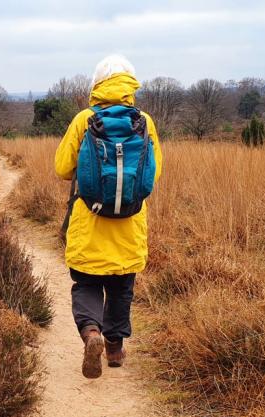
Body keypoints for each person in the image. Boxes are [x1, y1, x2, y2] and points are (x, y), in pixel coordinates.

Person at [54, 54, 163, 379]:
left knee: (86, 282)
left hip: (90, 221)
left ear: (97, 84)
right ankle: (114, 348)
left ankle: (91, 333)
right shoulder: (144, 121)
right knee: (121, 286)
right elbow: (154, 173)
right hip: (129, 223)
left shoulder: (83, 119)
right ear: (130, 85)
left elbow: (61, 168)